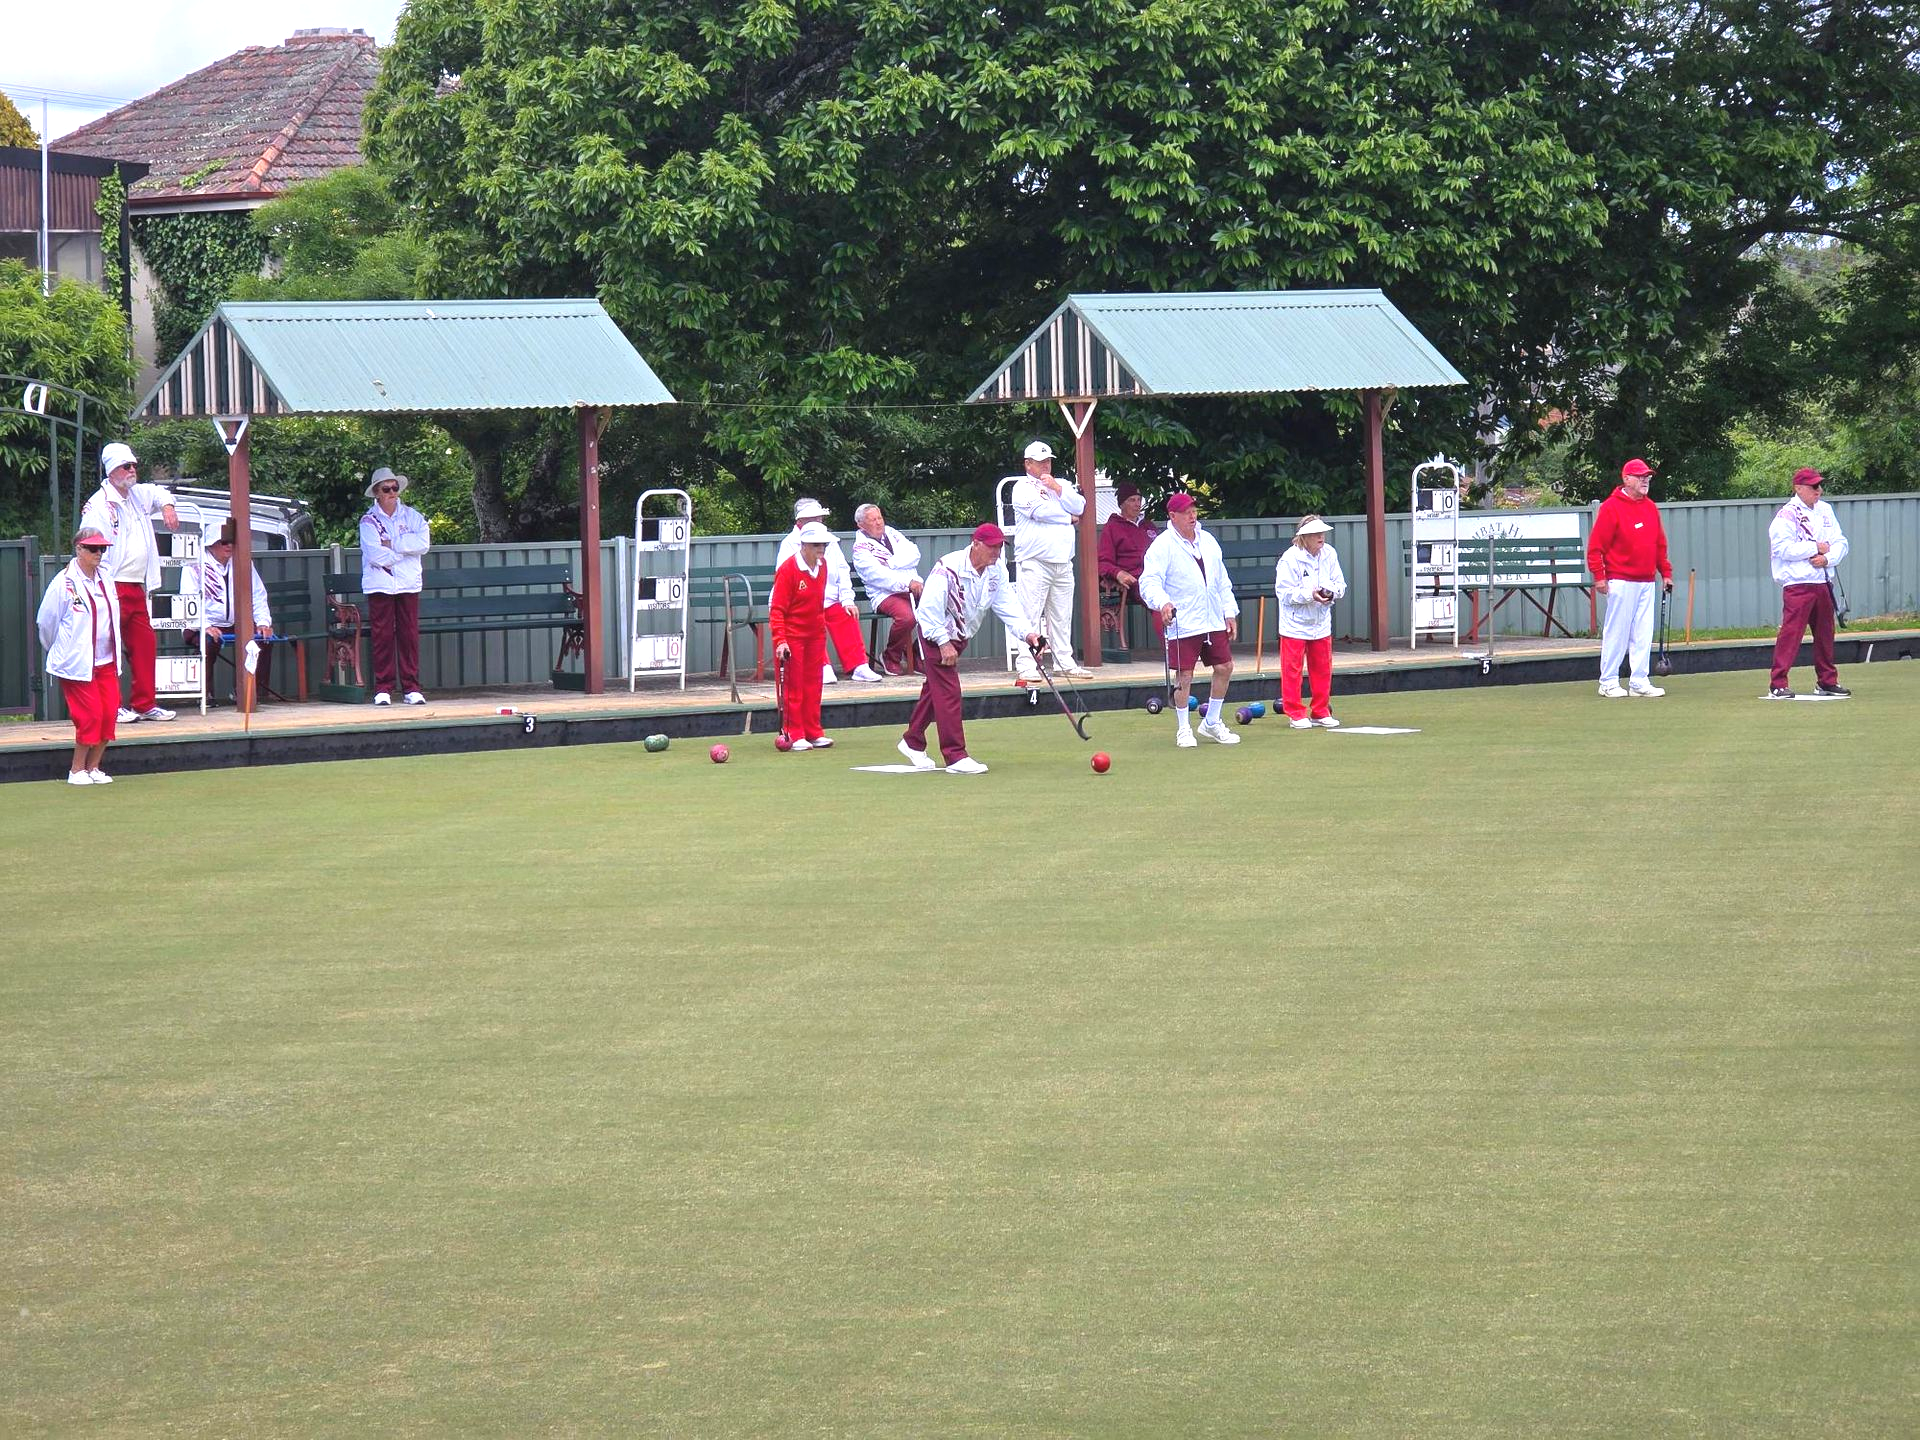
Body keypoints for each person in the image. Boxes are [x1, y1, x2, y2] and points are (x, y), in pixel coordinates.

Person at [897, 523, 1043, 775]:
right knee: (949, 691)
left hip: (960, 636)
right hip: (935, 633)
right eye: (992, 546)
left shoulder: (996, 570)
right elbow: (929, 611)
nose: (996, 552)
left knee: (935, 691)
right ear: (975, 543)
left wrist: (1028, 633)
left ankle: (912, 741)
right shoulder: (948, 568)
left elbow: (1006, 603)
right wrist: (943, 643)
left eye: (999, 547)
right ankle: (955, 756)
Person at [79, 440, 178, 723]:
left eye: (133, 464)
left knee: (144, 645)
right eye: (126, 466)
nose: (132, 470)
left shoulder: (137, 494)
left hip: (137, 585)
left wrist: (168, 505)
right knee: (108, 647)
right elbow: (90, 543)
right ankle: (112, 705)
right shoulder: (99, 505)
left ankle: (145, 704)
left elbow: (160, 491)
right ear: (112, 470)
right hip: (111, 584)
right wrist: (99, 584)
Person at [1139, 494, 1241, 748]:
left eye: (1194, 510)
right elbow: (1148, 581)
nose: (1192, 516)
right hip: (1183, 620)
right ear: (1172, 516)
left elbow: (1222, 581)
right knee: (1184, 674)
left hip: (1212, 617)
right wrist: (1162, 602)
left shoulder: (1209, 541)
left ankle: (1212, 722)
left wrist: (1229, 611)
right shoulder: (1162, 546)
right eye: (1186, 512)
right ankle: (1184, 728)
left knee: (1225, 667)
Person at [36, 526, 122, 785]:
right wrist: (63, 650)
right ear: (79, 549)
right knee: (90, 716)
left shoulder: (106, 577)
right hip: (76, 662)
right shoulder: (63, 582)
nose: (99, 553)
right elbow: (46, 623)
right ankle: (76, 770)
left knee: (109, 713)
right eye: (93, 548)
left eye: (102, 548)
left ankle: (93, 767)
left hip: (106, 659)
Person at [1587, 457, 1674, 698]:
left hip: (1646, 580)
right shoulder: (1611, 507)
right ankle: (1608, 681)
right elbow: (1596, 547)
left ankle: (1639, 681)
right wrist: (1599, 576)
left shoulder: (1650, 507)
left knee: (1642, 632)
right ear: (1627, 479)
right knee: (1618, 631)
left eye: (1647, 476)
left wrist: (1665, 572)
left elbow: (1659, 544)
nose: (1645, 480)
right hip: (1620, 579)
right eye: (1640, 476)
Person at [1010, 440, 1092, 684]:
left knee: (1061, 616)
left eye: (1048, 461)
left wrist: (1058, 488)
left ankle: (1064, 662)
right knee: (1029, 615)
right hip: (1034, 561)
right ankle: (1026, 664)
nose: (1046, 465)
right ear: (1028, 464)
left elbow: (1081, 505)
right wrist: (1068, 518)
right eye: (1040, 461)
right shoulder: (1021, 487)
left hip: (1063, 561)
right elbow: (1040, 511)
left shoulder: (1062, 484)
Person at [777, 499, 883, 684]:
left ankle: (859, 666)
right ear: (799, 522)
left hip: (832, 600)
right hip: (804, 605)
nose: (817, 521)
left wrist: (848, 599)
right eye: (812, 518)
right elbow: (784, 580)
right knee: (811, 622)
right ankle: (821, 666)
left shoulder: (830, 540)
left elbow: (842, 569)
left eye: (818, 518)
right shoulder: (789, 544)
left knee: (847, 613)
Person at [1768, 467, 1851, 699]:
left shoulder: (1826, 510)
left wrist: (1827, 558)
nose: (1819, 490)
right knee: (1791, 634)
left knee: (1826, 634)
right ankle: (1778, 683)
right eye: (1814, 486)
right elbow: (1781, 549)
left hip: (1823, 580)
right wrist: (1815, 547)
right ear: (1798, 488)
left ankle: (1827, 681)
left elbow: (1840, 542)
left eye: (1819, 485)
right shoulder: (1787, 514)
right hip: (1797, 583)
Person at [359, 466, 431, 706]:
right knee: (383, 636)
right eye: (386, 488)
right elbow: (374, 555)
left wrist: (393, 544)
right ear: (377, 493)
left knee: (409, 635)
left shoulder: (413, 516)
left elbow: (423, 543)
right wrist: (403, 552)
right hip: (380, 584)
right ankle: (383, 688)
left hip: (408, 583)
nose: (392, 492)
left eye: (394, 487)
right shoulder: (368, 520)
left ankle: (412, 687)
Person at [181, 520, 274, 704]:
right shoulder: (193, 565)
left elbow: (257, 594)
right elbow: (187, 599)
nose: (229, 545)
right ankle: (204, 694)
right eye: (224, 542)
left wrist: (263, 621)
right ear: (211, 543)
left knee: (263, 639)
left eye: (232, 541)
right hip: (199, 624)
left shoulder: (242, 562)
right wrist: (205, 625)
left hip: (233, 624)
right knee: (208, 642)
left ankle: (251, 692)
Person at [1273, 515, 1347, 728]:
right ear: (1304, 536)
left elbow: (1340, 584)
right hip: (1294, 625)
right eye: (1316, 533)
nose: (1321, 537)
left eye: (1322, 533)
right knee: (1292, 670)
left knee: (1323, 668)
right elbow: (1284, 593)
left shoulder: (1330, 553)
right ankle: (1295, 713)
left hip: (1321, 622)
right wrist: (1309, 594)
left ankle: (1320, 711)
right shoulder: (1289, 559)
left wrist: (1331, 593)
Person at [769, 521, 835, 750]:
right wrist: (781, 640)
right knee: (793, 686)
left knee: (813, 684)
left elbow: (817, 605)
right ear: (803, 545)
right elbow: (777, 609)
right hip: (792, 636)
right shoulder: (788, 570)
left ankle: (812, 731)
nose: (822, 549)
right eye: (817, 545)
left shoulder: (823, 566)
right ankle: (793, 733)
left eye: (824, 545)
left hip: (815, 634)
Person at [850, 502, 922, 676]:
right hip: (884, 594)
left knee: (937, 609)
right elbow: (879, 576)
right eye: (872, 520)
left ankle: (916, 654)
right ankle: (890, 656)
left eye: (880, 517)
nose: (878, 522)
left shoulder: (892, 533)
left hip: (912, 586)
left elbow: (914, 553)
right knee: (907, 618)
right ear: (861, 525)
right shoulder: (860, 549)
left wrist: (891, 563)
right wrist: (906, 583)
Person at [1097, 481, 1160, 649]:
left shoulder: (1148, 526)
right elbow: (1103, 561)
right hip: (1136, 579)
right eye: (1132, 500)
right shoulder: (1112, 528)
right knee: (1160, 601)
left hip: (1161, 575)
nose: (1137, 504)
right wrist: (1118, 573)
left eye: (1139, 499)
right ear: (1122, 504)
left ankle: (1196, 645)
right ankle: (1176, 648)